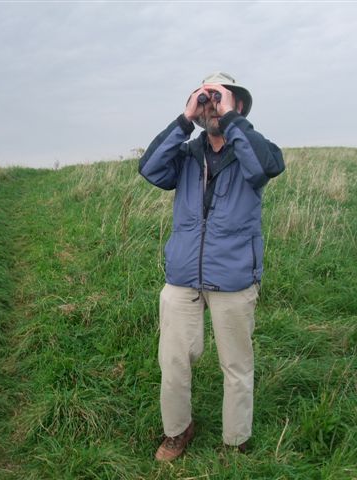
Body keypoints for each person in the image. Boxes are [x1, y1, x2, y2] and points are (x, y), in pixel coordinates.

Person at [138, 71, 285, 461]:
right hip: (183, 275)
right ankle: (177, 430)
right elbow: (150, 168)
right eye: (207, 98)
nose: (212, 106)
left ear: (238, 105)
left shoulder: (252, 150)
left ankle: (236, 439)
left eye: (221, 97)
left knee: (236, 364)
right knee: (173, 361)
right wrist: (186, 118)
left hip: (233, 277)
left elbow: (266, 167)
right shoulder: (187, 154)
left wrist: (231, 117)